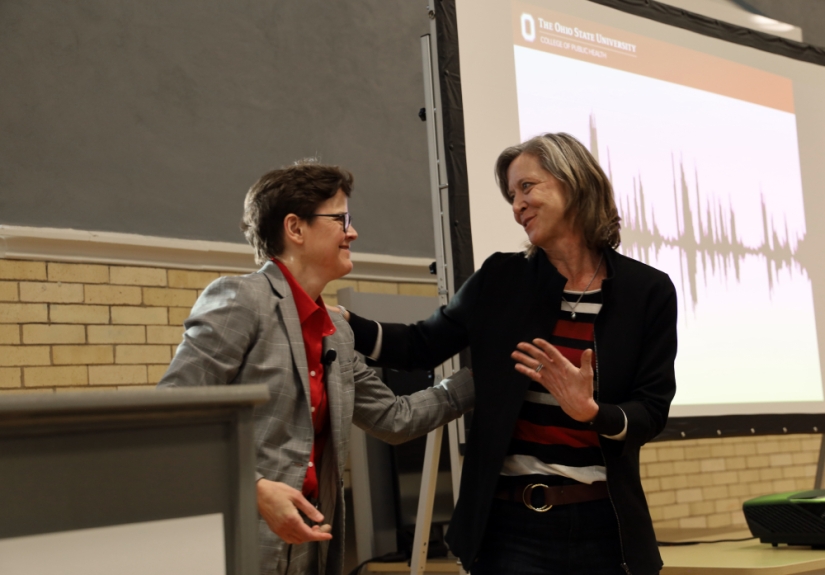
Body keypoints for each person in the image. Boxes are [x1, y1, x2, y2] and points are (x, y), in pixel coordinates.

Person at [340, 133, 677, 575]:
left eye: (527, 187)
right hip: (510, 531)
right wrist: (345, 323)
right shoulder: (501, 278)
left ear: (573, 182)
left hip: (604, 528)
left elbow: (650, 412)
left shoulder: (647, 291)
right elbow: (420, 346)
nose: (517, 205)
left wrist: (592, 411)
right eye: (511, 195)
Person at [157, 160, 473, 575]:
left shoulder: (336, 332)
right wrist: (253, 489)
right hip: (237, 545)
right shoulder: (242, 299)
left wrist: (484, 378)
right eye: (341, 219)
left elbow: (396, 419)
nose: (353, 232)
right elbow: (173, 415)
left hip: (310, 549)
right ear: (295, 228)